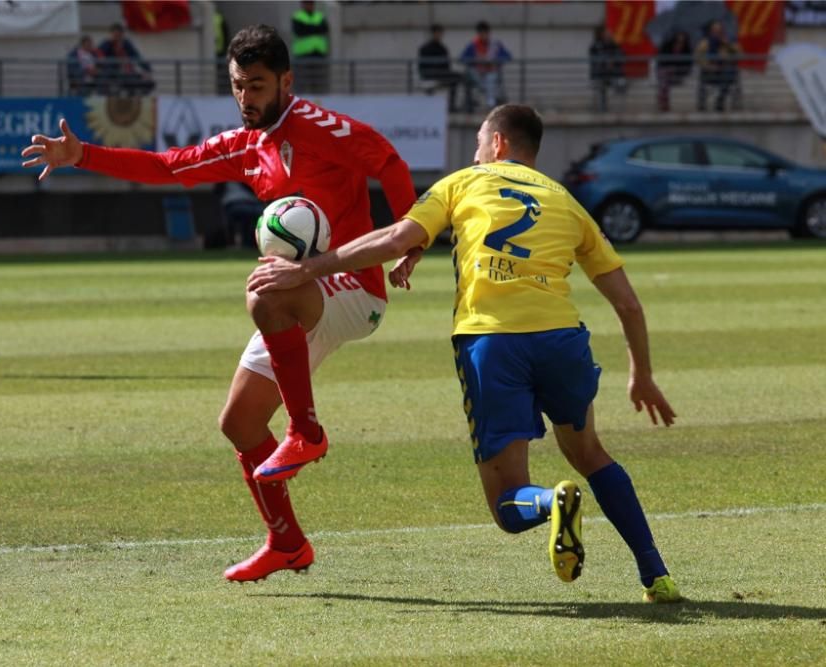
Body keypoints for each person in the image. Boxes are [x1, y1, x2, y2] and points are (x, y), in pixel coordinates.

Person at [21, 24, 416, 582]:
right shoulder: (246, 147)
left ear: (286, 80)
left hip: (355, 290)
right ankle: (287, 543)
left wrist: (409, 241)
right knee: (241, 423)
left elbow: (390, 163)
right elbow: (166, 166)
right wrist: (83, 154)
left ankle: (306, 430)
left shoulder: (318, 126)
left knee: (263, 291)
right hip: (301, 292)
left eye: (256, 86)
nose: (245, 98)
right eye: (237, 86)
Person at [247, 104, 683, 603]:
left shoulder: (464, 182)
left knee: (506, 502)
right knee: (590, 453)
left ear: (497, 144)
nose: (475, 151)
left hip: (493, 343)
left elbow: (394, 237)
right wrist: (641, 374)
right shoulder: (567, 201)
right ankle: (657, 575)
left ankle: (552, 501)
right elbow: (627, 302)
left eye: (479, 141)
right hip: (562, 339)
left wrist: (307, 270)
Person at [460, 21, 511, 112]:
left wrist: (494, 60)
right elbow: (463, 58)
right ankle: (492, 98)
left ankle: (490, 103)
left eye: (485, 33)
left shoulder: (495, 45)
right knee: (472, 73)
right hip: (478, 74)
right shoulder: (473, 45)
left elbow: (507, 57)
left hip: (491, 72)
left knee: (491, 78)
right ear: (478, 34)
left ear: (488, 33)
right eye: (481, 33)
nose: (484, 35)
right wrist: (476, 60)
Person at [97, 23, 154, 95]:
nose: (117, 37)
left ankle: (132, 95)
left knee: (148, 83)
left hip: (127, 72)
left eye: (119, 35)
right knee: (108, 85)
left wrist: (147, 69)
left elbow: (136, 56)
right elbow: (98, 54)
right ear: (111, 34)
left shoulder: (126, 43)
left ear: (122, 34)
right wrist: (110, 43)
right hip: (112, 73)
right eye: (115, 35)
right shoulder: (106, 43)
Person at [417, 24, 464, 112]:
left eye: (440, 33)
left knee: (457, 78)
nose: (439, 35)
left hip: (442, 74)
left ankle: (452, 106)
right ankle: (429, 107)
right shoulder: (425, 48)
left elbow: (447, 65)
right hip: (429, 74)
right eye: (438, 33)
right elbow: (422, 66)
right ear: (433, 33)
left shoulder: (443, 48)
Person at [695, 20, 739, 112]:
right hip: (710, 71)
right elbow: (698, 57)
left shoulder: (727, 42)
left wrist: (727, 44)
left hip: (724, 71)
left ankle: (720, 100)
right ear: (711, 31)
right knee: (703, 78)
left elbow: (739, 53)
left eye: (719, 30)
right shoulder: (705, 42)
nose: (717, 32)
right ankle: (702, 104)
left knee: (730, 73)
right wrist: (708, 66)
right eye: (715, 30)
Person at [291, 1, 329, 94]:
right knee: (302, 82)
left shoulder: (320, 16)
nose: (309, 5)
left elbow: (324, 30)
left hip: (318, 54)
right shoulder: (297, 16)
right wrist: (315, 28)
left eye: (311, 3)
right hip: (303, 55)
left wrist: (308, 28)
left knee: (318, 82)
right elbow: (299, 31)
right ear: (303, 4)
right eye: (307, 3)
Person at [588, 26, 626, 112]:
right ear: (601, 34)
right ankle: (602, 108)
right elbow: (594, 59)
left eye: (609, 33)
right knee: (601, 86)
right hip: (600, 74)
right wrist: (605, 63)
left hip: (613, 74)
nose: (609, 34)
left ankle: (619, 109)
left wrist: (614, 61)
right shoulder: (596, 46)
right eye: (607, 32)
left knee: (621, 83)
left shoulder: (614, 45)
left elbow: (621, 57)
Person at [656, 30, 692, 112]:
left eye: (683, 35)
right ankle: (664, 102)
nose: (681, 37)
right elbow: (662, 59)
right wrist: (670, 65)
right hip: (665, 70)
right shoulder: (667, 45)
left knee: (664, 80)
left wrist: (677, 67)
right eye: (680, 35)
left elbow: (688, 63)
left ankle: (663, 100)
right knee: (664, 79)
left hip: (679, 72)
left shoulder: (687, 48)